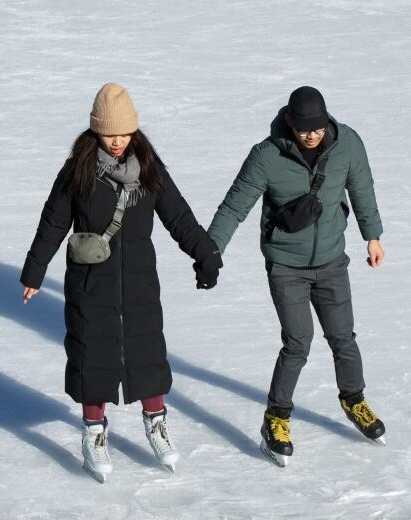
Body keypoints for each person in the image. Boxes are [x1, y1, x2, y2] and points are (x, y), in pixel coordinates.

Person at [20, 83, 221, 480]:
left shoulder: (148, 168)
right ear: (96, 130)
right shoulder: (78, 169)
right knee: (92, 355)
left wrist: (205, 253)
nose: (117, 142)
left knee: (146, 352)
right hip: (91, 280)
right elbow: (54, 221)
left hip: (140, 281)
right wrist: (35, 270)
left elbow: (178, 216)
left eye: (124, 133)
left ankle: (156, 423)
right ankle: (94, 431)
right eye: (110, 133)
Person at [207, 86, 386, 467]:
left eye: (318, 128)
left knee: (343, 337)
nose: (311, 135)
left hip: (332, 260)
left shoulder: (348, 143)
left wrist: (372, 235)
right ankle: (276, 418)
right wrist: (210, 252)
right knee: (298, 342)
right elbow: (234, 205)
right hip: (286, 265)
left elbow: (362, 189)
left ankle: (354, 400)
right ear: (289, 120)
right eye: (304, 129)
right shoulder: (266, 156)